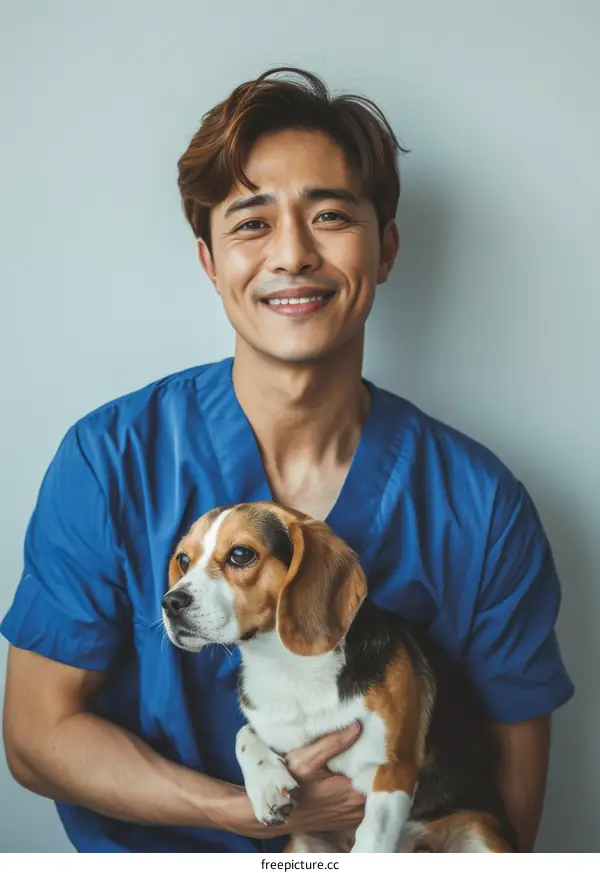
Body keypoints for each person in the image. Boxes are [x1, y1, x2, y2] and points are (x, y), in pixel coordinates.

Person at [1, 67, 573, 854]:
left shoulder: (482, 506)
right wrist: (240, 813)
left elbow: (508, 806)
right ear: (210, 262)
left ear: (386, 248)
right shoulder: (108, 460)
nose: (293, 254)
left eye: (330, 215)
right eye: (251, 223)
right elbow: (35, 733)